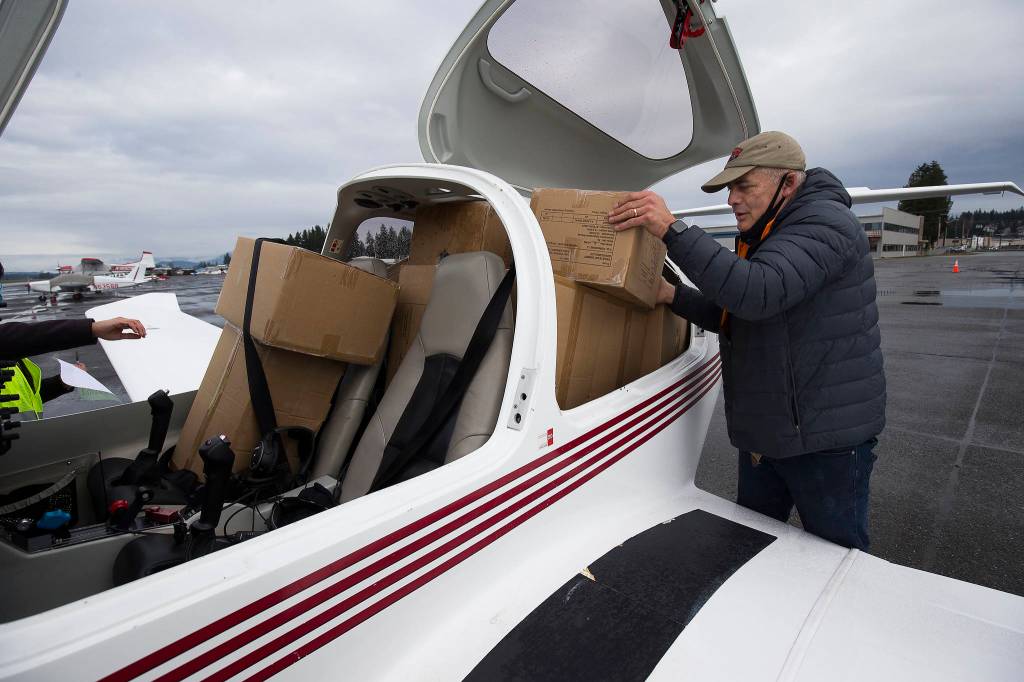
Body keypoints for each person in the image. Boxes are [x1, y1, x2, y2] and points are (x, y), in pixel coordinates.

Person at [607, 131, 885, 550]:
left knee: (837, 559)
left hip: (823, 440)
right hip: (769, 434)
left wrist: (671, 229)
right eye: (729, 188)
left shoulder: (825, 224)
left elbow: (757, 293)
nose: (732, 199)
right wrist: (672, 295)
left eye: (744, 186)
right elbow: (739, 315)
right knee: (747, 551)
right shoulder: (766, 231)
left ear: (788, 183)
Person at [1, 316, 147, 419]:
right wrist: (92, 329)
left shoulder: (12, 356)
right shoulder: (8, 345)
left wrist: (61, 383)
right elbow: (28, 336)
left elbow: (26, 397)